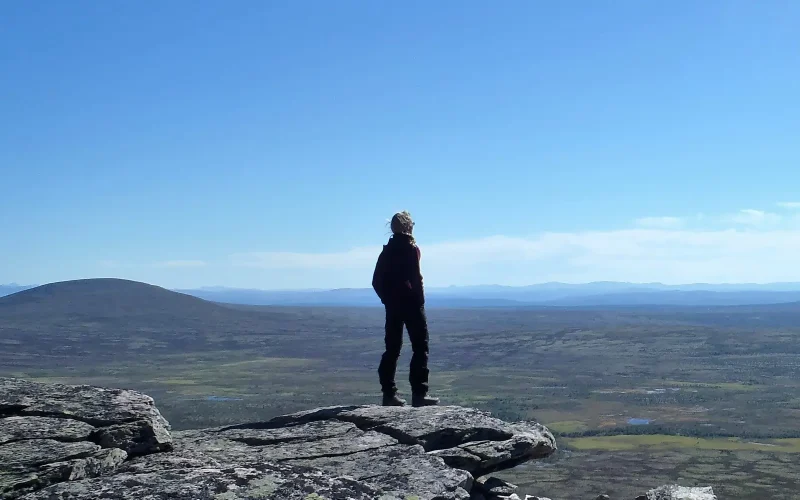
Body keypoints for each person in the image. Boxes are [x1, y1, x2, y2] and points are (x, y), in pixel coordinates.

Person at [372, 211, 439, 407]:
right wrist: (419, 301)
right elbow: (416, 279)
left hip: (393, 306)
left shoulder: (386, 252)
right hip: (411, 305)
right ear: (408, 226)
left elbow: (376, 281)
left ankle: (388, 394)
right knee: (420, 346)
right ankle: (419, 394)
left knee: (392, 349)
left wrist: (388, 300)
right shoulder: (411, 249)